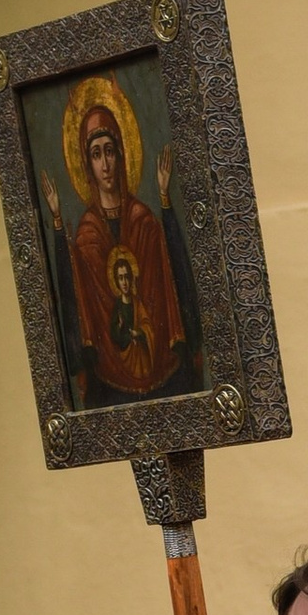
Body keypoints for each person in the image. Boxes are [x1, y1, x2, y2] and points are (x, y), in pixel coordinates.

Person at [63, 80, 190, 401]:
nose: (105, 164)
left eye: (109, 151)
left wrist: (164, 198)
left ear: (121, 153)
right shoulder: (87, 233)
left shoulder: (144, 219)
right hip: (110, 383)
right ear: (87, 165)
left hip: (162, 372)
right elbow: (87, 307)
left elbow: (164, 286)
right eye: (95, 155)